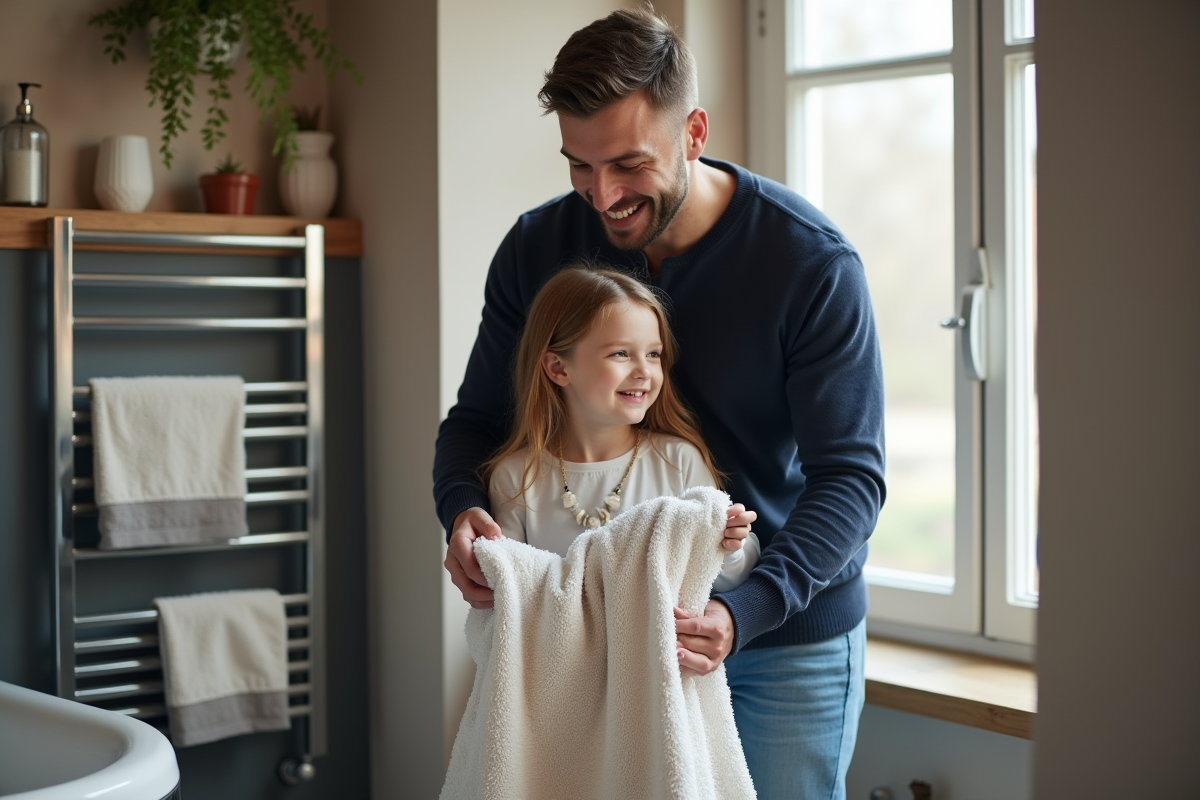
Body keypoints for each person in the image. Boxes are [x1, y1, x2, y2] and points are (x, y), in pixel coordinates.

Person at [433, 7, 886, 800]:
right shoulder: (537, 249)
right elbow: (477, 420)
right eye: (579, 164)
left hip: (784, 629)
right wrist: (461, 509)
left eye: (628, 165)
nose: (602, 197)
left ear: (695, 131)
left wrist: (746, 609)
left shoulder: (810, 264)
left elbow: (849, 479)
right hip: (612, 635)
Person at [483, 263, 760, 594]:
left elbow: (719, 579)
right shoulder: (516, 478)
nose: (644, 370)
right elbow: (510, 594)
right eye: (620, 354)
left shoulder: (679, 461)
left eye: (654, 354)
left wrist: (729, 547)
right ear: (558, 367)